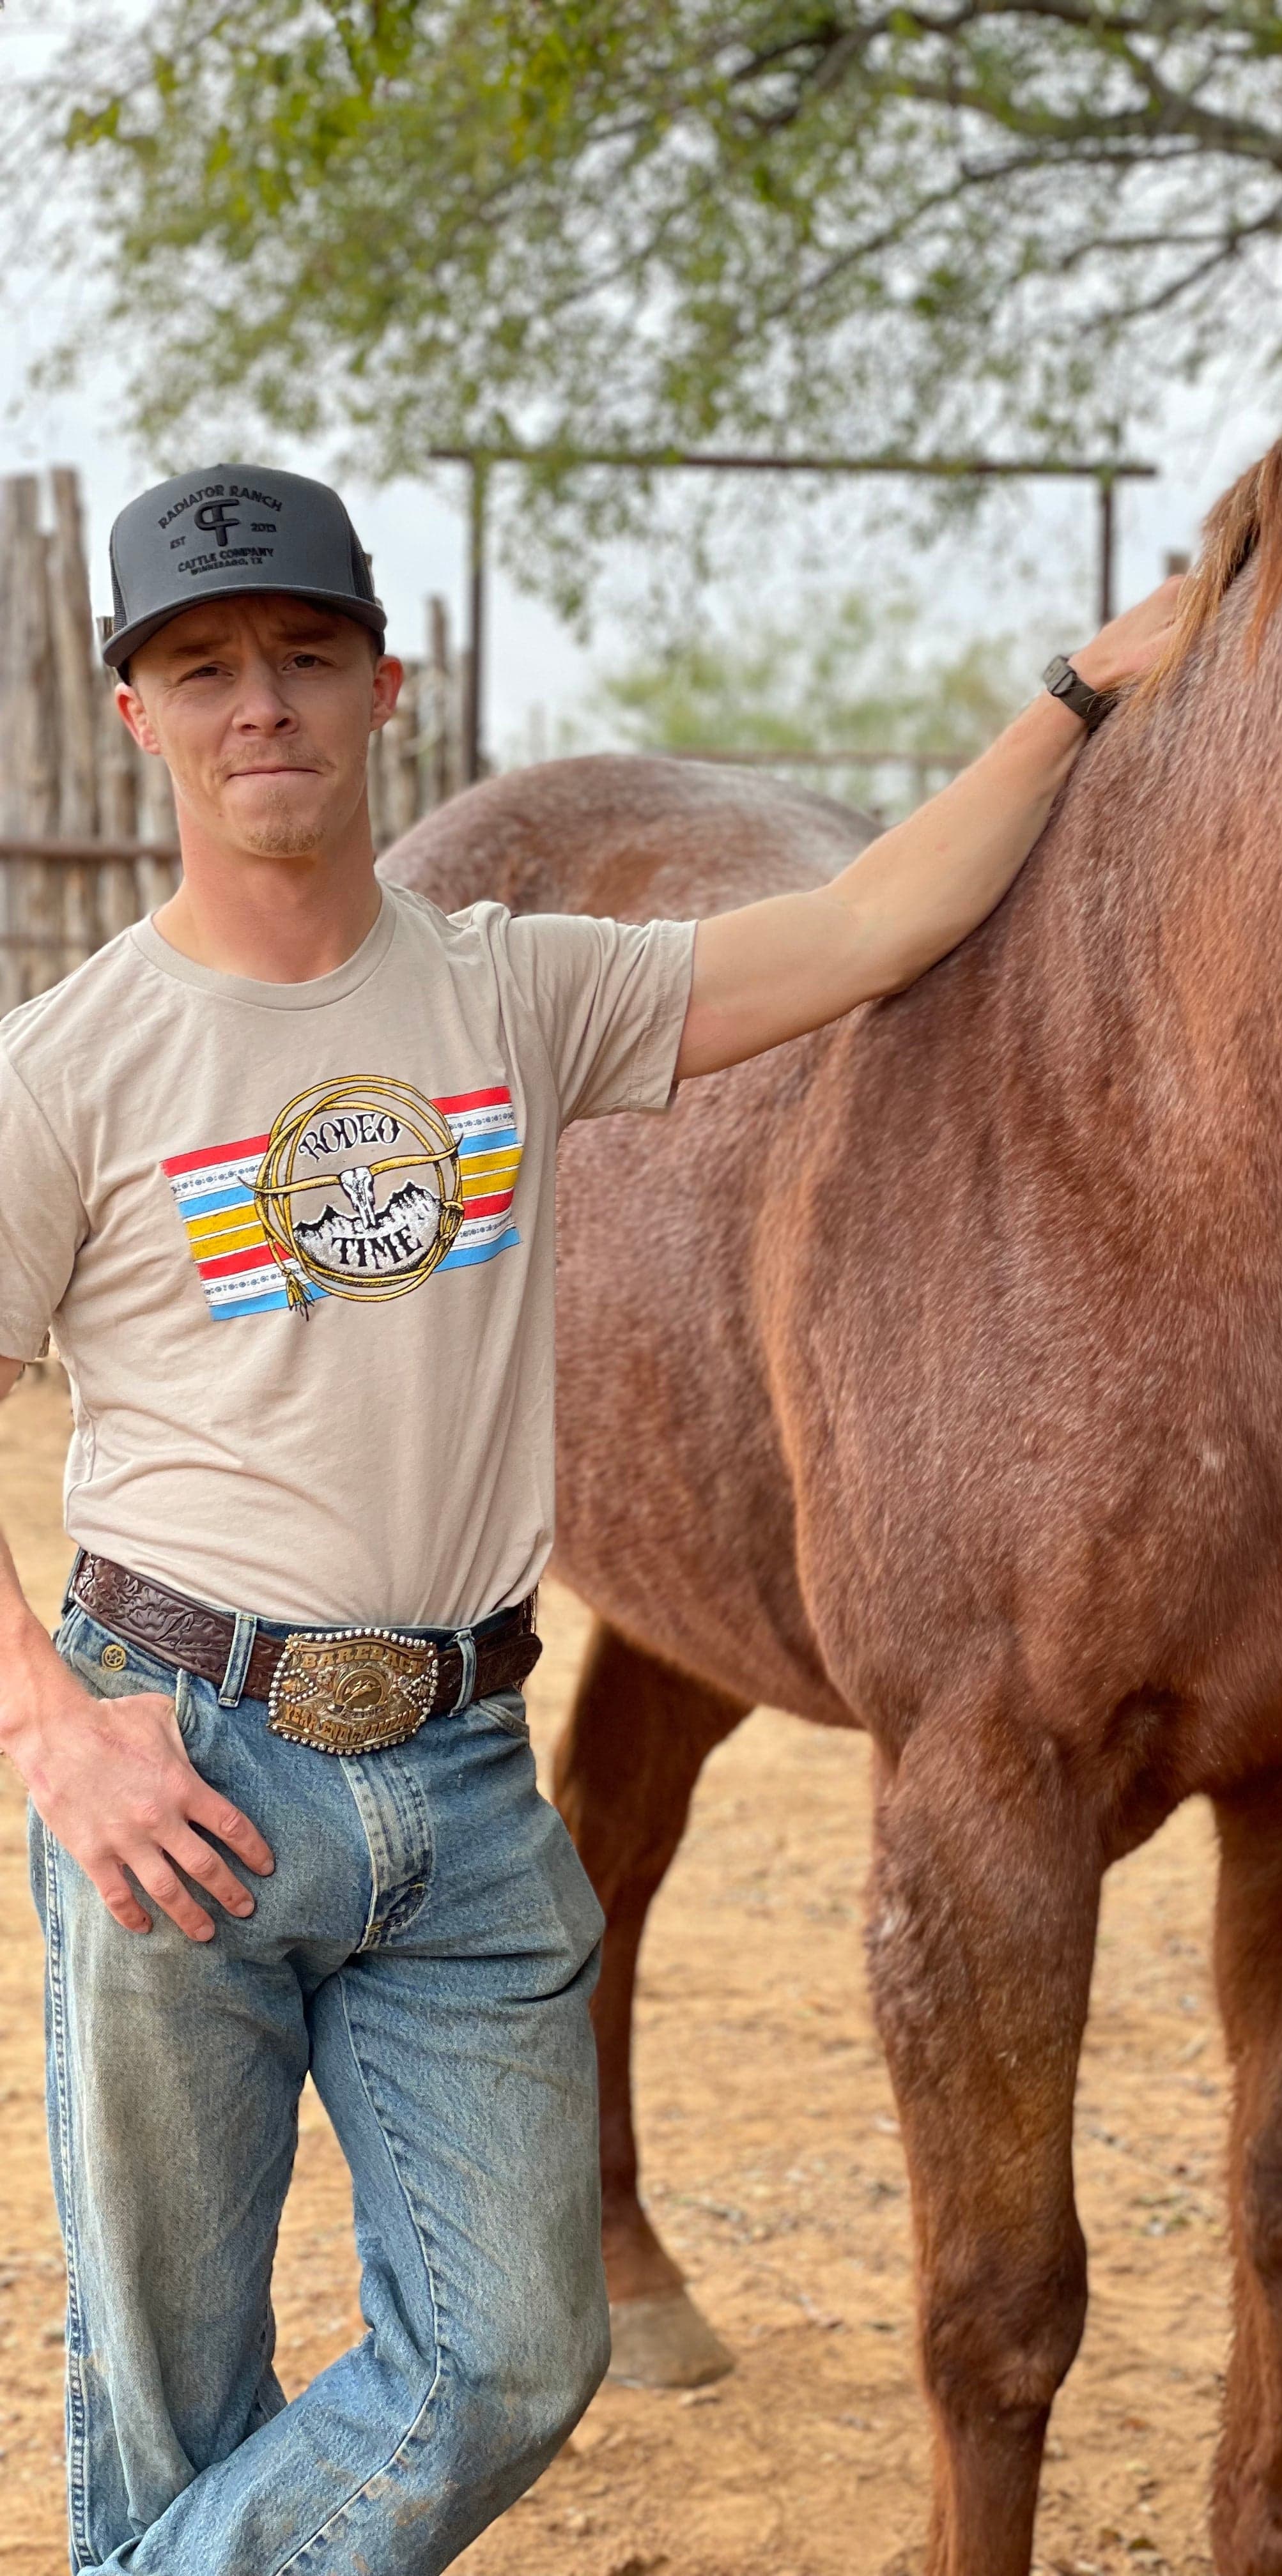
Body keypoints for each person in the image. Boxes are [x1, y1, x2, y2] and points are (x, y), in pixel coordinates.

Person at [0, 463, 1178, 2575]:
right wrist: (52, 1729)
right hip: (184, 1763)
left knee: (516, 2359)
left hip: (461, 1782)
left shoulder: (513, 992)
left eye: (299, 659)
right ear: (136, 720)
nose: (254, 704)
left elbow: (872, 923)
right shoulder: (66, 1069)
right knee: (167, 2388)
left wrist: (1081, 694)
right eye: (200, 671)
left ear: (385, 689)